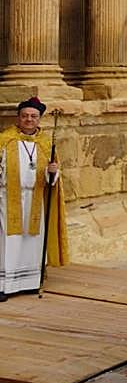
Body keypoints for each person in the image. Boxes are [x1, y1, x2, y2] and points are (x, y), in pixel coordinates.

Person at [0, 97, 65, 300]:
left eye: (33, 116)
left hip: (35, 198)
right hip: (8, 197)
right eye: (25, 116)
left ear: (39, 119)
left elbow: (52, 180)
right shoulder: (4, 140)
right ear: (18, 118)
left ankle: (30, 281)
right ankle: (5, 285)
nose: (29, 119)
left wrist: (52, 172)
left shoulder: (46, 143)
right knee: (8, 240)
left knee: (32, 240)